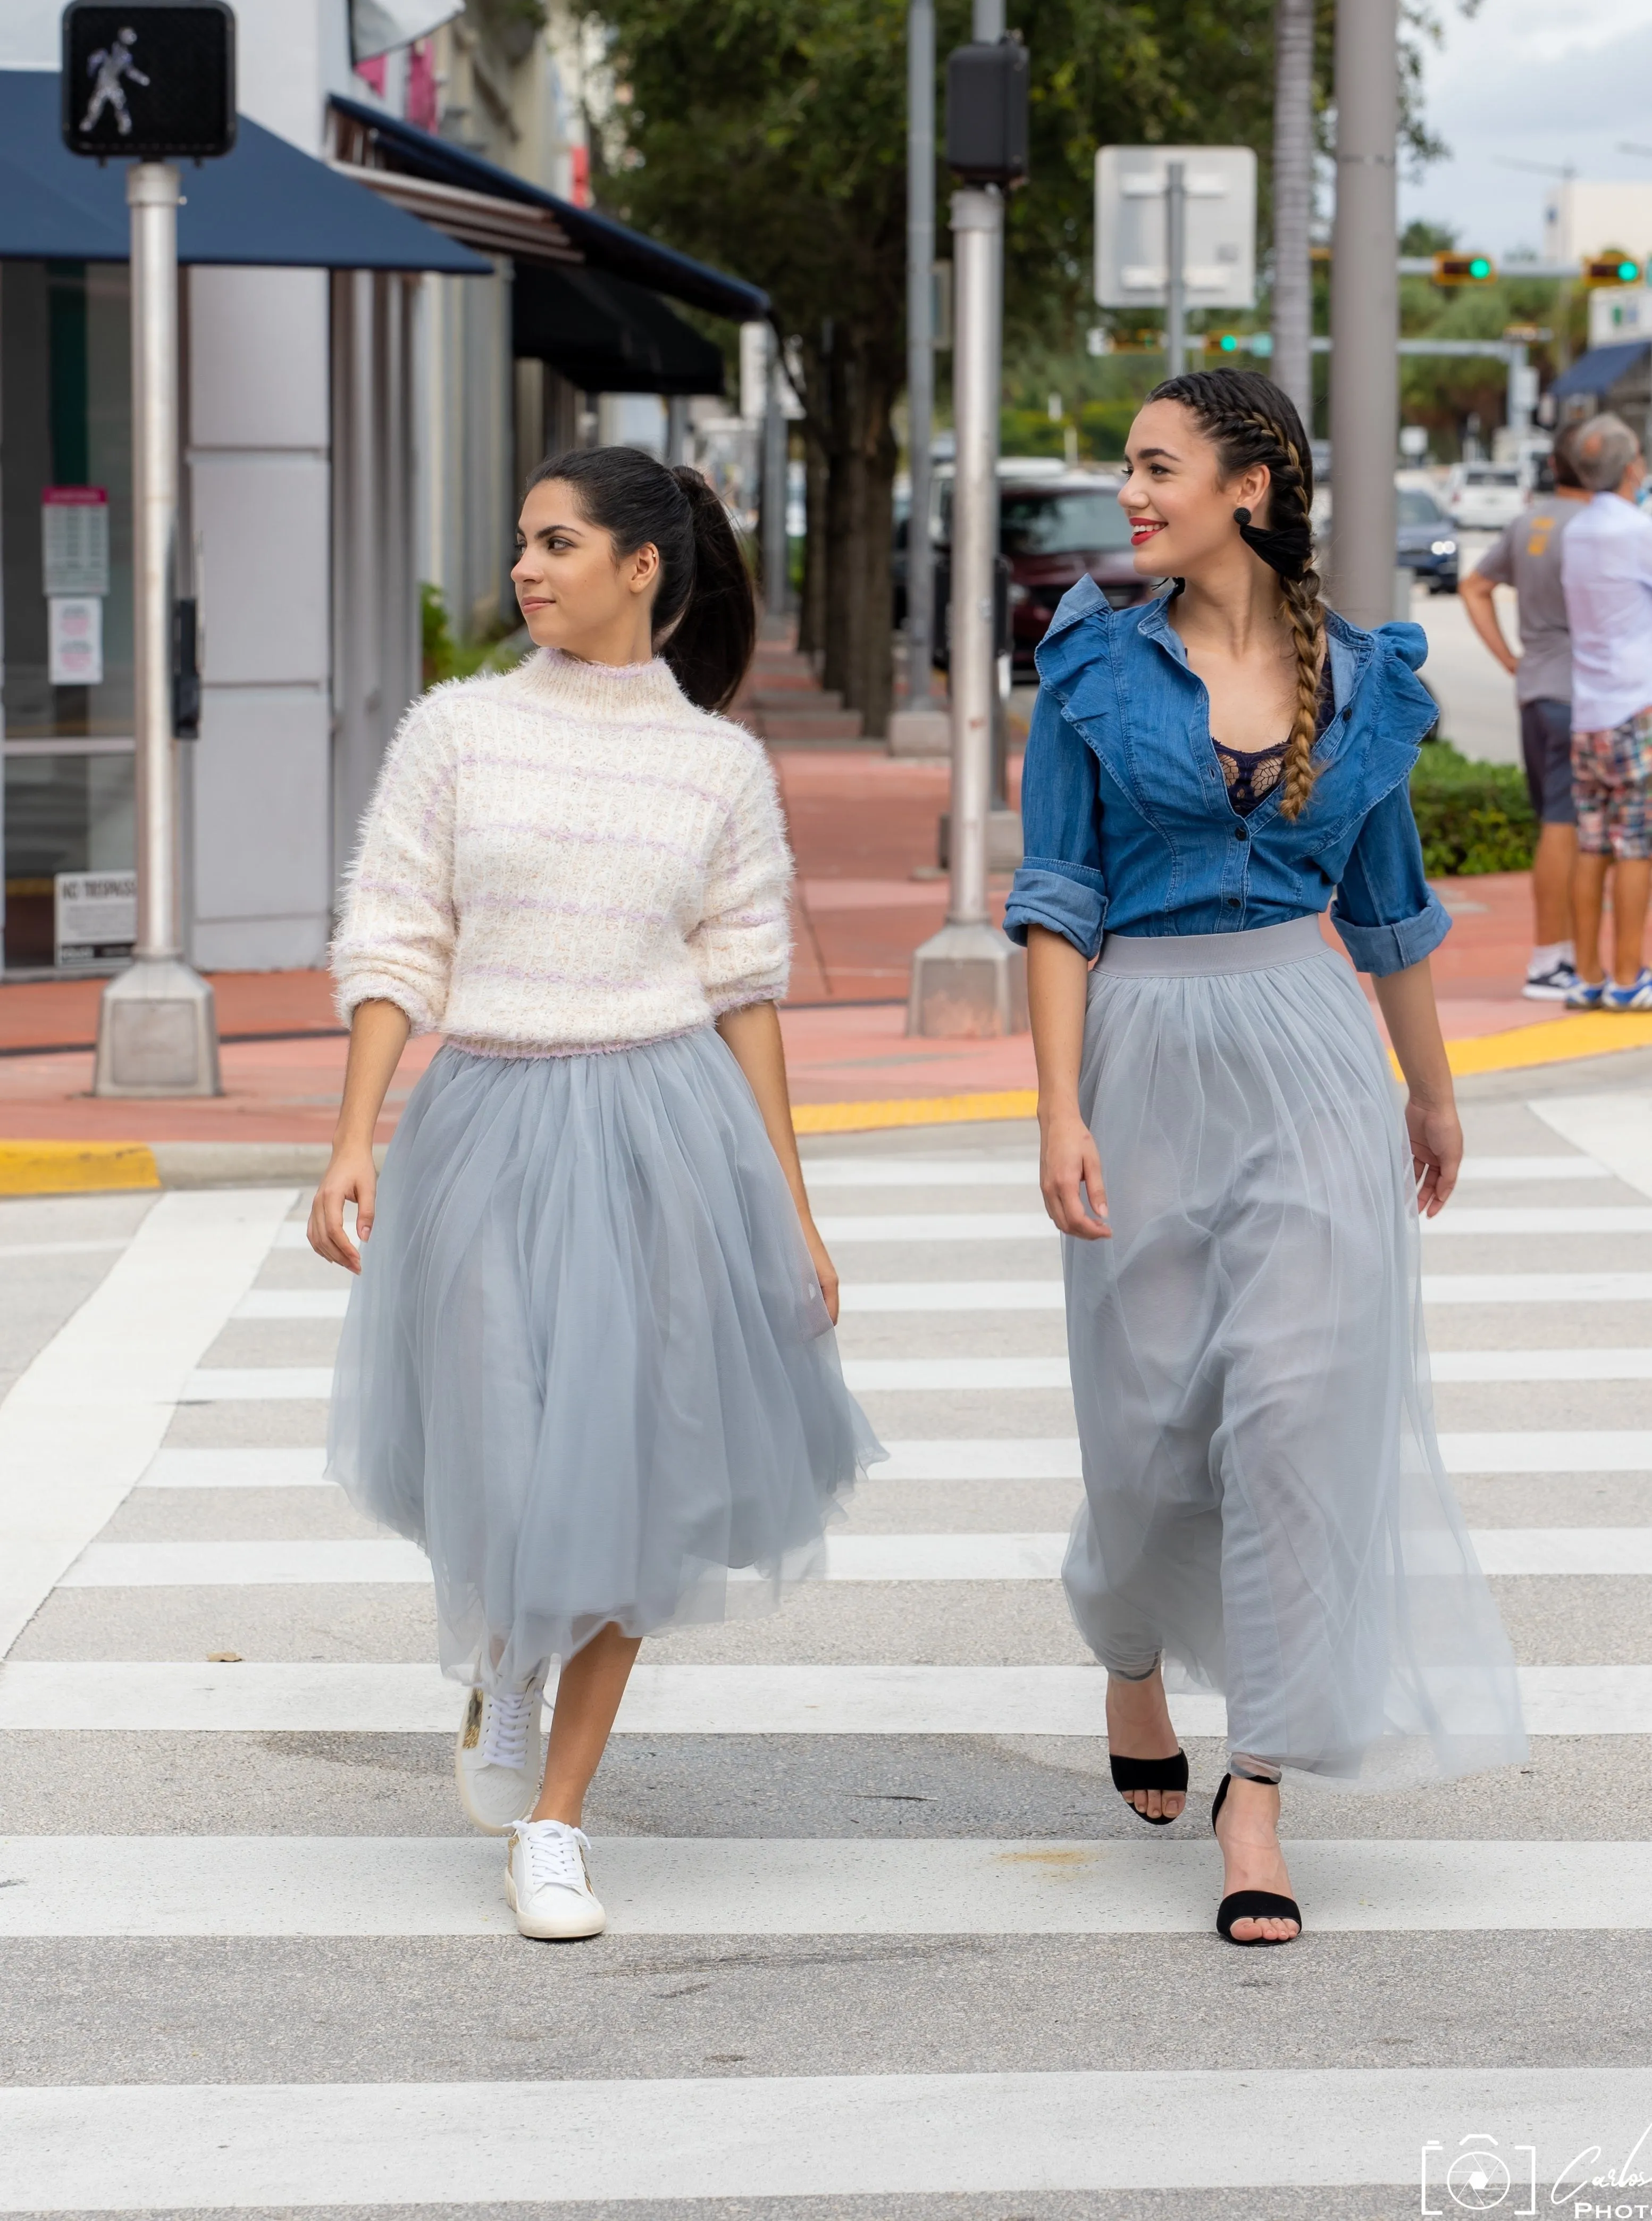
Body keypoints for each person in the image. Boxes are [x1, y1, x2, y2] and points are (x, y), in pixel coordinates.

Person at [309, 447, 879, 1942]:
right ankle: (504, 1653)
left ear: (643, 566)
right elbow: (395, 932)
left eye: (556, 543)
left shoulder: (717, 768)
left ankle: (555, 1821)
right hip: (485, 1120)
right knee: (499, 1438)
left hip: (663, 1129)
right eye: (521, 544)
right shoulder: (457, 732)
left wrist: (792, 1211)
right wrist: (354, 1133)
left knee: (639, 1475)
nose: (527, 568)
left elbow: (749, 996)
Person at [1004, 368, 1527, 1947]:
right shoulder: (1091, 667)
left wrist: (1430, 1095)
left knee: (1301, 1419)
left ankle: (1262, 1794)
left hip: (1310, 1054)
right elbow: (1054, 899)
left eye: (1156, 466)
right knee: (1151, 1425)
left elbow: (1387, 906)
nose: (1129, 491)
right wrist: (1056, 1107)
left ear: (1255, 483)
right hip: (1140, 1055)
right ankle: (1128, 1651)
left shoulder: (1363, 677)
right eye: (1127, 467)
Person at [1459, 428, 1589, 998]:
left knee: (1554, 826)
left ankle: (1559, 956)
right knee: (1573, 830)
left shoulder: (1528, 522)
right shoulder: (1599, 530)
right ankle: (1551, 961)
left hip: (1536, 691)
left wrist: (1511, 658)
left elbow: (1473, 586)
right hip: (1584, 696)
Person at [1558, 412, 1652, 1011]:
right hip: (1634, 707)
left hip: (1587, 710)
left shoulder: (1576, 531)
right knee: (1636, 845)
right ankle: (1628, 977)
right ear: (1629, 468)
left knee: (1591, 844)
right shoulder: (1636, 530)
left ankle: (1587, 975)